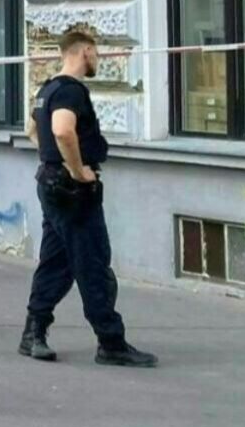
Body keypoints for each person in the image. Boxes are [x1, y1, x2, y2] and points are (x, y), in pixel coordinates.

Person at [21, 31, 157, 366]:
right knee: (92, 263)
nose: (99, 59)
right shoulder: (70, 90)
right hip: (73, 190)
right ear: (85, 51)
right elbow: (62, 130)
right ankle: (111, 342)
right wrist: (78, 170)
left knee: (56, 259)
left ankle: (33, 332)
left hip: (52, 185)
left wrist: (51, 161)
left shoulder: (47, 88)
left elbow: (32, 129)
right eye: (97, 53)